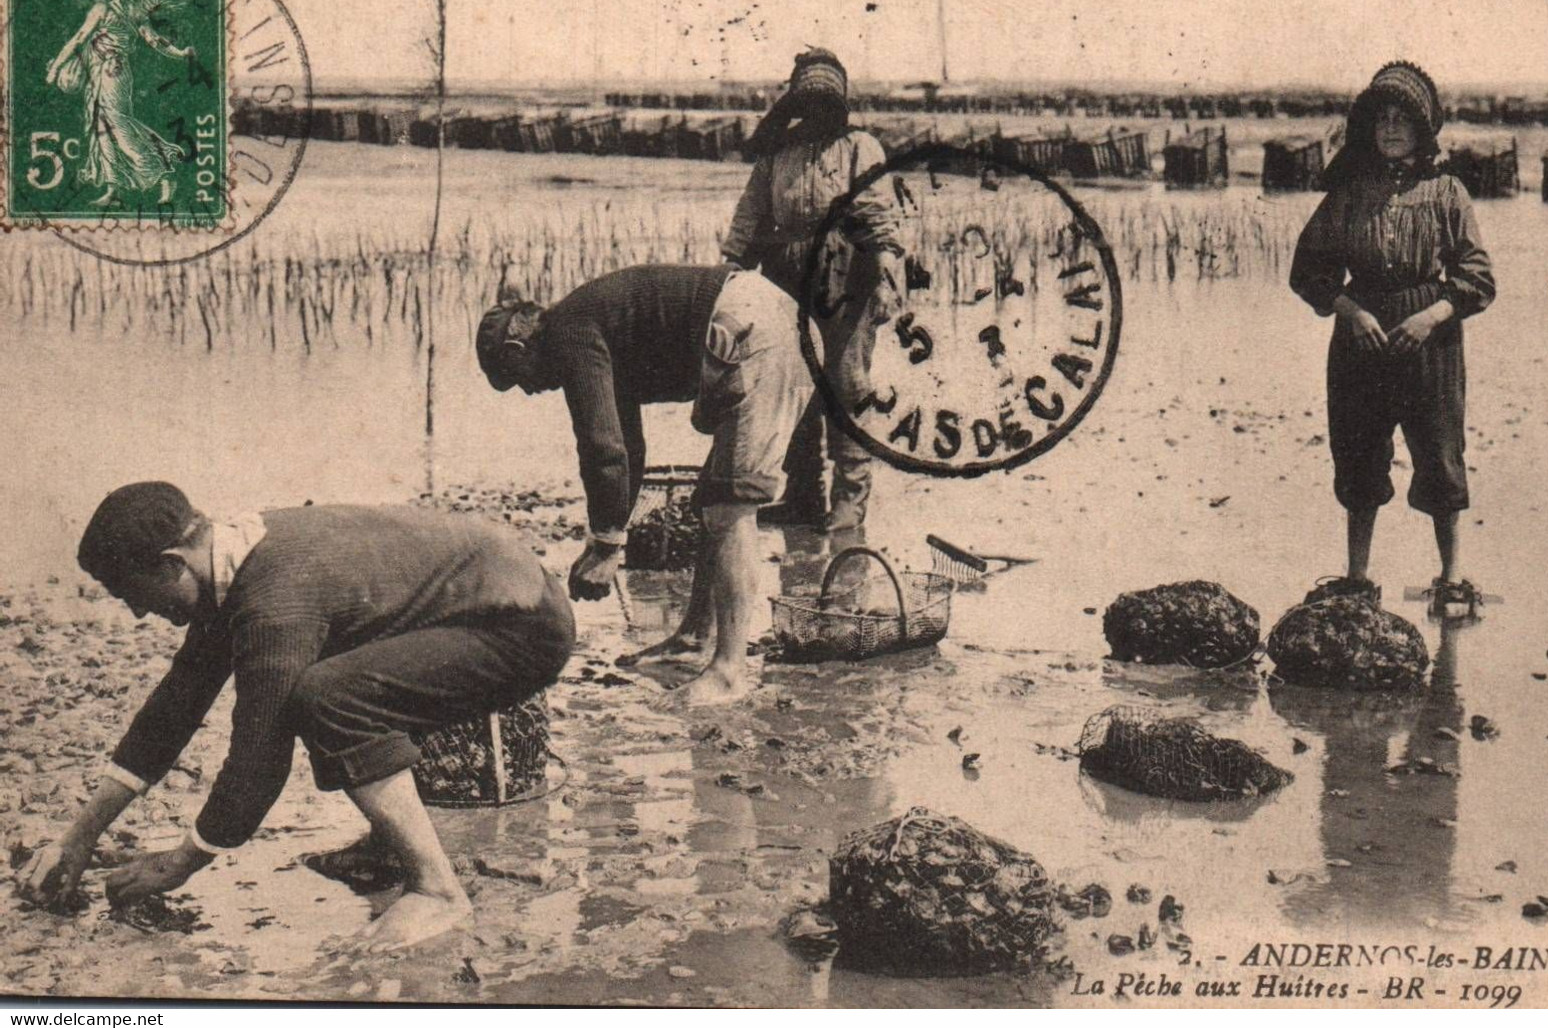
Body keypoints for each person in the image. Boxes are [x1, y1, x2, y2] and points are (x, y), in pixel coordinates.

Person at [18, 483, 574, 952]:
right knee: (334, 680)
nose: (139, 611)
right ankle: (391, 844)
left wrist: (181, 861)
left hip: (521, 624)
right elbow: (173, 707)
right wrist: (79, 836)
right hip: (482, 600)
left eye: (131, 594)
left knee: (328, 696)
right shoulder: (230, 558)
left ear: (171, 564)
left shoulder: (273, 601)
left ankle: (437, 891)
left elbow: (259, 758)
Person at [478, 264, 813, 704]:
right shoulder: (590, 325)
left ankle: (730, 672)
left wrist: (605, 548)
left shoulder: (569, 331)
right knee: (713, 500)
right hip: (759, 317)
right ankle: (695, 638)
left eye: (515, 375)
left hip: (755, 331)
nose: (527, 390)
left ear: (519, 343)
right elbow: (627, 448)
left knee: (732, 508)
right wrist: (607, 537)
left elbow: (602, 448)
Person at [1289, 62, 1495, 607]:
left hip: (1430, 341)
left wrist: (1431, 317)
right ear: (1368, 129)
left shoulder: (1448, 192)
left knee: (1440, 454)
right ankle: (1357, 580)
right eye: (1381, 119)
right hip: (1361, 340)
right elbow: (1308, 269)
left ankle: (1450, 580)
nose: (1391, 128)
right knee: (1358, 454)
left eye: (1402, 118)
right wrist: (1349, 312)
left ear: (1423, 128)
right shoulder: (1349, 193)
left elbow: (1477, 278)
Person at [722, 48, 905, 532]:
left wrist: (887, 275)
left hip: (848, 274)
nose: (817, 111)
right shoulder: (778, 152)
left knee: (845, 387)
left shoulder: (860, 147)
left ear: (839, 104)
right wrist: (731, 266)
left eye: (827, 102)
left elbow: (878, 213)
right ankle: (803, 497)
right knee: (795, 388)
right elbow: (751, 213)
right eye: (809, 101)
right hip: (785, 278)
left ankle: (850, 501)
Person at [44, 0, 193, 207]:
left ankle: (164, 173)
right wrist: (180, 53)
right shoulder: (127, 8)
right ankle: (114, 190)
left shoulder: (107, 8)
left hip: (113, 72)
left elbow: (80, 38)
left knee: (118, 125)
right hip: (102, 72)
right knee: (100, 127)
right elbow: (154, 40)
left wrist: (54, 67)